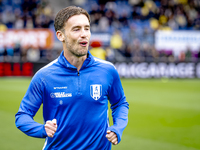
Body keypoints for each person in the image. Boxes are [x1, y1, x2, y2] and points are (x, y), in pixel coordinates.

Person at [15, 6, 129, 150]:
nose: (84, 34)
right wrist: (42, 129)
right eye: (76, 29)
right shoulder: (44, 76)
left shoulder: (108, 70)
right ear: (60, 35)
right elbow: (22, 116)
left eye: (87, 28)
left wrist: (117, 128)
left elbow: (120, 103)